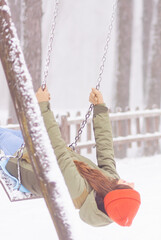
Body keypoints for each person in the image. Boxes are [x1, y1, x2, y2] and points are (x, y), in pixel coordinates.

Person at [0, 87, 141, 227]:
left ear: (115, 194)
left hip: (24, 165)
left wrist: (43, 106)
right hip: (38, 152)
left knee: (2, 135)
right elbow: (106, 148)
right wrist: (99, 108)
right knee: (6, 132)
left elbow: (59, 152)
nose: (132, 183)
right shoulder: (109, 181)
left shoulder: (78, 193)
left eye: (128, 188)